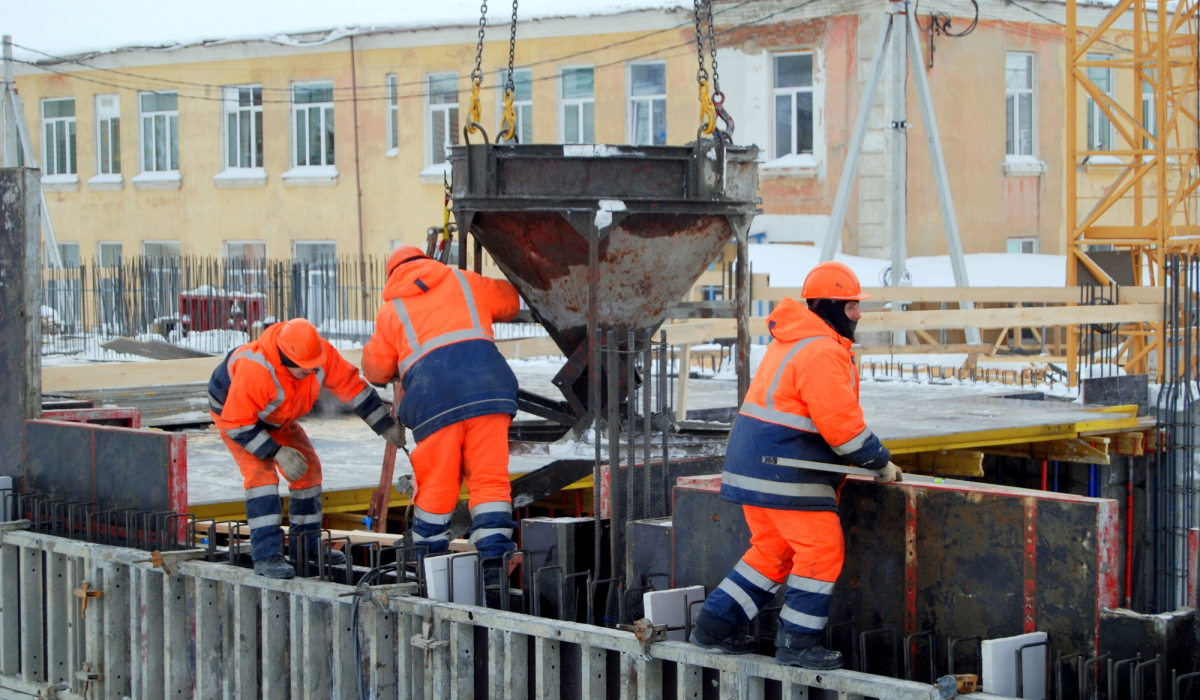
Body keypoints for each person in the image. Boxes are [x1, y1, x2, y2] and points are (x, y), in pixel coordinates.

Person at [689, 261, 903, 669]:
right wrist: (880, 461)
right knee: (822, 549)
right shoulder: (821, 350)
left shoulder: (795, 340)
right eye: (851, 306)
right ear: (829, 307)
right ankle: (798, 643)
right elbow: (842, 429)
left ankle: (713, 627)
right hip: (785, 468)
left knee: (772, 550)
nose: (858, 314)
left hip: (756, 466)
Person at [361, 245, 521, 573]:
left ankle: (427, 566)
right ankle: (494, 566)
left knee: (438, 484)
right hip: (489, 391)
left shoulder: (391, 312)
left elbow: (375, 371)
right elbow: (510, 301)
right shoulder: (464, 281)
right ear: (428, 261)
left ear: (391, 276)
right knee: (490, 481)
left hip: (434, 404)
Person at [208, 318, 405, 579]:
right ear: (285, 359)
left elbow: (353, 388)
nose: (312, 372)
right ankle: (267, 555)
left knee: (308, 472)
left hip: (279, 417)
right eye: (304, 369)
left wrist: (385, 425)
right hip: (237, 419)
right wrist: (277, 451)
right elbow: (237, 423)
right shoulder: (257, 369)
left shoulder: (317, 355)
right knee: (262, 478)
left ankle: (306, 547)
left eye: (314, 367)